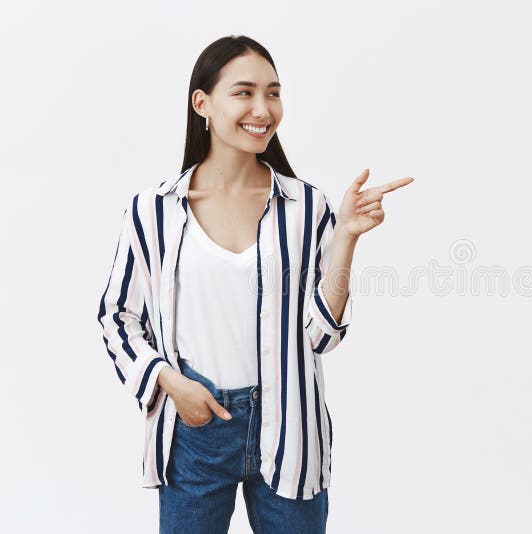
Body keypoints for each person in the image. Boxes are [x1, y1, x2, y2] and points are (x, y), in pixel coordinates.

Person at [97, 35, 413, 533]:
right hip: (194, 428)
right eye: (244, 92)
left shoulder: (308, 208)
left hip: (290, 426)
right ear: (202, 103)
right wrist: (170, 382)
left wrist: (347, 238)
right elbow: (117, 319)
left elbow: (321, 336)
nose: (262, 109)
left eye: (273, 92)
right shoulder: (152, 212)